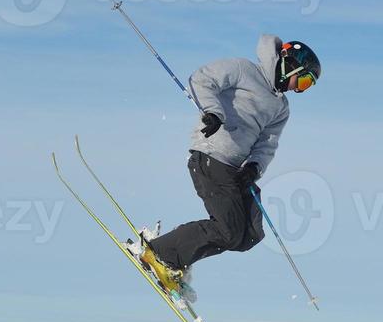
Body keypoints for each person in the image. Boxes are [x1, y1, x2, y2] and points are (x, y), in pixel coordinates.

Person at [137, 35, 321, 300]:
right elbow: (202, 79)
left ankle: (174, 258)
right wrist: (213, 113)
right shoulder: (243, 69)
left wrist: (254, 168)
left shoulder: (281, 107)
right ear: (289, 64)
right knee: (229, 230)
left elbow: (268, 143)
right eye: (302, 81)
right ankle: (161, 254)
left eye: (306, 86)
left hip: (235, 170)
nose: (299, 89)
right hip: (211, 156)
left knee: (248, 235)